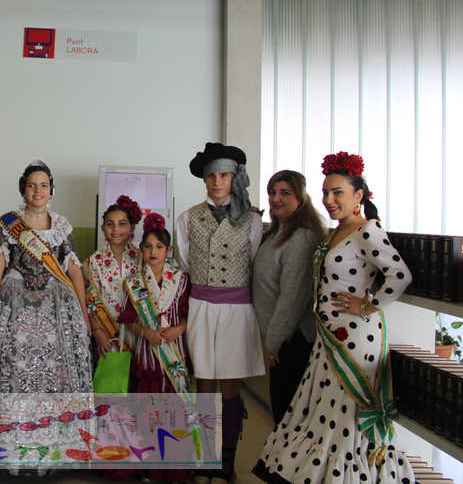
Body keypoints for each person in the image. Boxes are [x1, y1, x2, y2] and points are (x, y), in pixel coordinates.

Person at [254, 152, 415, 484]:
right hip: (328, 336)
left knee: (345, 415)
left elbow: (399, 275)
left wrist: (368, 305)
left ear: (358, 195)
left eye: (337, 192)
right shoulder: (336, 232)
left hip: (355, 340)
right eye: (326, 192)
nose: (329, 200)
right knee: (323, 411)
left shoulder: (368, 231)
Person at [176, 142, 263, 484]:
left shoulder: (252, 220)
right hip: (201, 306)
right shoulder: (187, 218)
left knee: (230, 386)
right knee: (204, 383)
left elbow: (253, 263)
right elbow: (185, 263)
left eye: (224, 175)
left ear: (233, 178)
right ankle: (204, 457)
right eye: (211, 176)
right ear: (204, 179)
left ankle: (227, 461)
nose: (217, 182)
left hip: (237, 310)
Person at [0, 160, 92, 393]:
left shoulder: (61, 225)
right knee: (16, 356)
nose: (37, 191)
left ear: (51, 190)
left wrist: (83, 313)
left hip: (54, 304)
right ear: (23, 189)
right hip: (16, 301)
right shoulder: (9, 223)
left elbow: (73, 268)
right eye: (31, 185)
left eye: (43, 185)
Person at [118, 213, 191, 482]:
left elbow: (189, 314)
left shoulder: (182, 280)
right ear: (141, 249)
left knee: (174, 411)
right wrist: (146, 333)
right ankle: (148, 466)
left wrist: (178, 330)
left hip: (174, 353)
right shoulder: (134, 282)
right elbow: (128, 319)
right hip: (147, 355)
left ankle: (173, 468)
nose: (153, 251)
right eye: (148, 246)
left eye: (159, 246)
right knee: (147, 410)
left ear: (168, 250)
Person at [252, 170, 326, 426]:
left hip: (292, 340)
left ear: (301, 197)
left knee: (288, 418)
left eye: (285, 193)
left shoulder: (302, 236)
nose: (276, 198)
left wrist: (273, 342)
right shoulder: (277, 232)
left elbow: (292, 297)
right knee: (281, 413)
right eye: (272, 192)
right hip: (281, 339)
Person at [85, 195, 142, 357]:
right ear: (103, 228)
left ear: (132, 228)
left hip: (138, 332)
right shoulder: (93, 261)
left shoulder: (141, 258)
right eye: (110, 224)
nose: (116, 229)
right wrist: (98, 332)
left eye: (122, 224)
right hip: (106, 334)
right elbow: (90, 302)